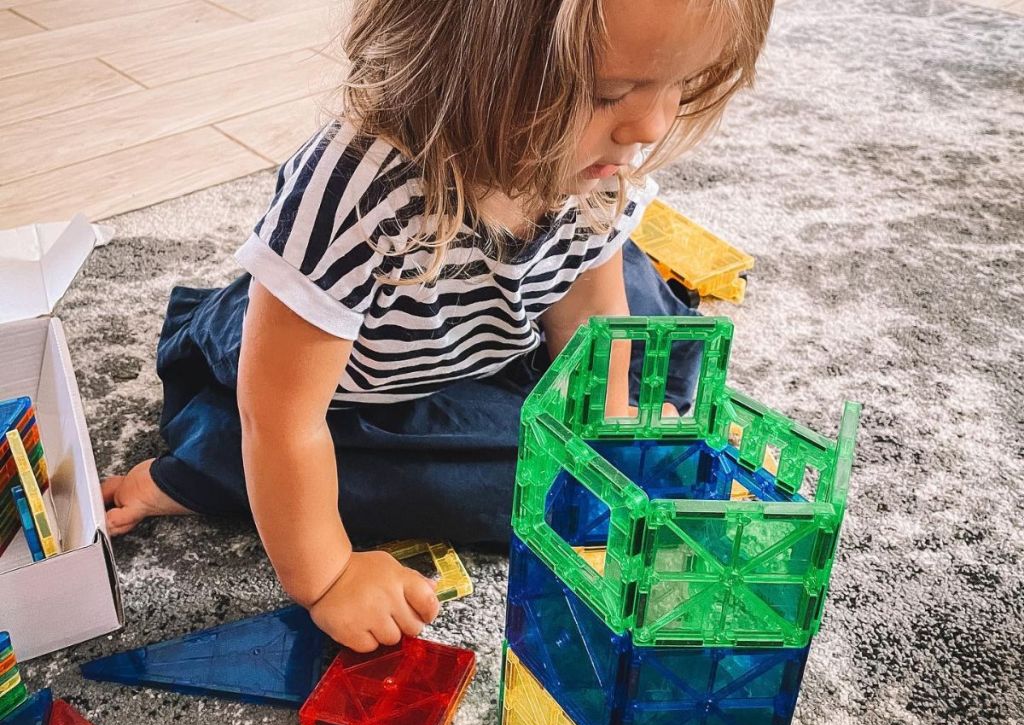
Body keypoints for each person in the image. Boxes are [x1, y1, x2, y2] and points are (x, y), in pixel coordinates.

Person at [101, 0, 774, 652]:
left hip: (476, 334)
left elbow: (595, 313)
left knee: (655, 329)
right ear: (458, 63)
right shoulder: (356, 187)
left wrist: (614, 435)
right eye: (608, 93)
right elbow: (282, 418)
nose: (650, 126)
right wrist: (328, 576)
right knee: (513, 480)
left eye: (679, 84)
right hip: (333, 379)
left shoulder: (592, 165)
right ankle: (206, 467)